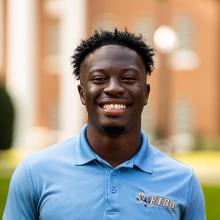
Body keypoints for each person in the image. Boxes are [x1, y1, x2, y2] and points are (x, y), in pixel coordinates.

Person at [3, 29, 206, 220]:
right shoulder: (34, 173)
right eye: (99, 78)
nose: (114, 88)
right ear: (82, 93)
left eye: (128, 78)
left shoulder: (182, 181)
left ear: (146, 93)